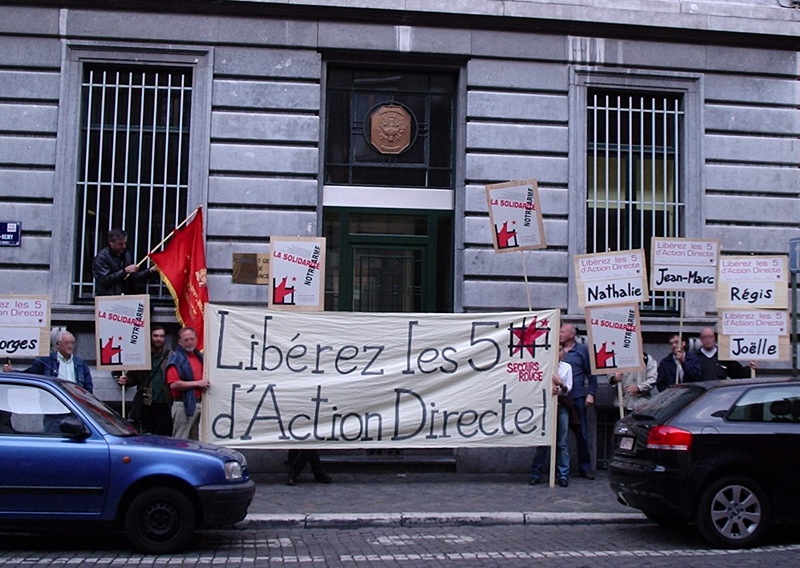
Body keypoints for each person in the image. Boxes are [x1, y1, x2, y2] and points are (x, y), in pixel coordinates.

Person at [117, 325, 173, 436]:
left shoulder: (170, 356)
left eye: (161, 336)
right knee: (147, 435)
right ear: (150, 337)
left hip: (165, 403)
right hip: (147, 403)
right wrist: (126, 380)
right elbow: (133, 376)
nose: (158, 339)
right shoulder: (142, 355)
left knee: (164, 435)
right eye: (155, 336)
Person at [530, 350, 574, 487]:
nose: (560, 353)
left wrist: (560, 385)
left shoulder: (567, 367)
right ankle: (535, 473)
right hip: (545, 406)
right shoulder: (543, 365)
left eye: (561, 350)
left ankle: (563, 474)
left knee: (562, 442)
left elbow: (569, 388)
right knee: (543, 441)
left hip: (561, 406)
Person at [559, 324, 597, 479]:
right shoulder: (556, 348)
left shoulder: (582, 350)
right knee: (558, 435)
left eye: (562, 331)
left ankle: (585, 467)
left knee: (581, 433)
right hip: (560, 398)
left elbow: (591, 374)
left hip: (577, 397)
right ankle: (557, 469)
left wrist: (591, 393)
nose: (559, 333)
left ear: (571, 334)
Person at [2, 330, 93, 393]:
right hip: (53, 408)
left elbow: (88, 389)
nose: (70, 346)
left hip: (75, 407)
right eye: (67, 343)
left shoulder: (80, 363)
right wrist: (12, 372)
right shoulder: (46, 361)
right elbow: (30, 375)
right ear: (58, 345)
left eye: (72, 343)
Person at [166, 327, 208, 440]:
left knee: (195, 440)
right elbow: (174, 384)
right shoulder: (176, 358)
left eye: (192, 339)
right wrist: (197, 384)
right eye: (186, 340)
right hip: (183, 405)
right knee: (181, 440)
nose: (189, 342)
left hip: (199, 404)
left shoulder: (200, 357)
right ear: (180, 342)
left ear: (196, 339)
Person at [92, 228, 155, 296]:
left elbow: (132, 278)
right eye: (120, 244)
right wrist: (125, 271)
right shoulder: (101, 258)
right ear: (111, 243)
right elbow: (104, 280)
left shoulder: (126, 254)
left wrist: (150, 270)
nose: (124, 246)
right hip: (109, 298)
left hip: (126, 296)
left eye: (125, 243)